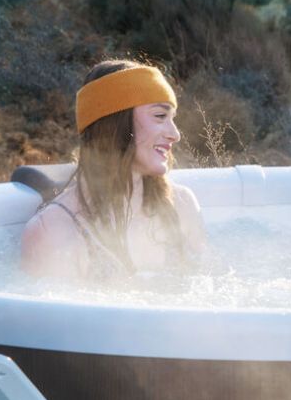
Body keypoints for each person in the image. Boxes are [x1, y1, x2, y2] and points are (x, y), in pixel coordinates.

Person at [21, 59, 205, 280]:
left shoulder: (181, 205)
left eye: (173, 119)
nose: (175, 134)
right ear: (115, 123)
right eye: (159, 116)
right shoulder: (54, 232)